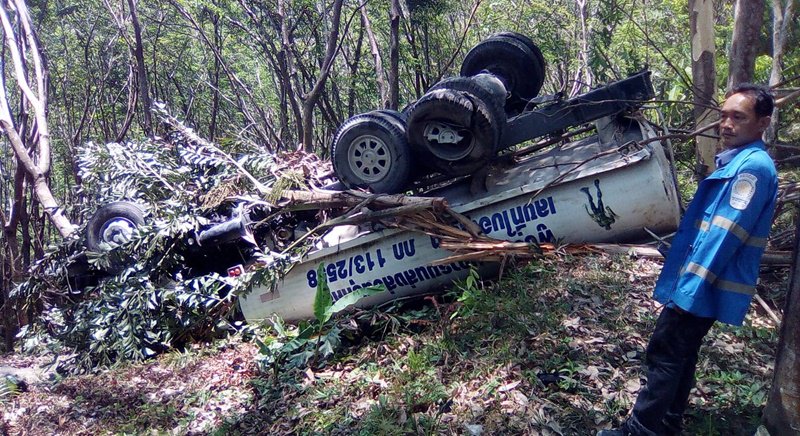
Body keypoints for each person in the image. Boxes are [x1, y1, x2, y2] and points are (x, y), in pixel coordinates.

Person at [598, 83, 778, 436]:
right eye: (724, 116)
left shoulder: (752, 170)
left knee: (665, 353)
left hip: (702, 285)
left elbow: (724, 236)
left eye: (738, 117)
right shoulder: (742, 161)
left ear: (763, 123)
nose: (726, 124)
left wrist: (689, 290)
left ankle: (641, 431)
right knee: (681, 354)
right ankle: (667, 423)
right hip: (702, 283)